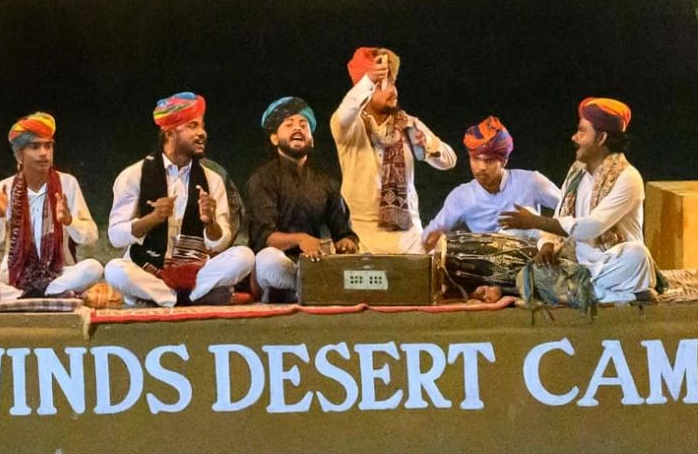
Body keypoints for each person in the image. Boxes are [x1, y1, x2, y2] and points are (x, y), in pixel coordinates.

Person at [500, 97, 656, 304]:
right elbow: (560, 217)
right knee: (529, 261)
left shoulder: (628, 177)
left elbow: (591, 227)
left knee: (637, 255)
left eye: (582, 131)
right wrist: (547, 245)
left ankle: (580, 293)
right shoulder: (577, 173)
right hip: (576, 264)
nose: (574, 137)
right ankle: (618, 296)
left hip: (611, 263)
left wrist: (535, 221)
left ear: (601, 138)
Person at [105, 92, 255, 307]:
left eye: (202, 126)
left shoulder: (212, 179)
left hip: (195, 271)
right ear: (169, 132)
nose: (202, 133)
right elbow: (115, 236)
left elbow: (220, 242)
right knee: (115, 270)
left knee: (244, 256)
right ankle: (191, 298)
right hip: (146, 269)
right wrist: (153, 218)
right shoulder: (133, 175)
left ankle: (166, 299)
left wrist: (210, 222)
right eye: (193, 126)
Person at [0, 112, 104, 303]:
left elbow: (91, 237)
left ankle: (29, 295)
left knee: (93, 267)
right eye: (35, 147)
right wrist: (0, 216)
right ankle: (33, 295)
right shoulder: (5, 187)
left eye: (48, 146)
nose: (43, 153)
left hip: (57, 272)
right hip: (13, 275)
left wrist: (69, 221)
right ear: (19, 155)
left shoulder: (67, 183)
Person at [331, 47, 456, 253]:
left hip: (407, 233)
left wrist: (427, 144)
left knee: (440, 254)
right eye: (383, 85)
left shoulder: (407, 123)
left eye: (393, 82)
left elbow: (449, 160)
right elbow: (345, 112)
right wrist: (369, 80)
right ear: (365, 91)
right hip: (360, 233)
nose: (392, 90)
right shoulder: (349, 128)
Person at [245, 96, 359, 302]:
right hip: (273, 263)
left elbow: (344, 232)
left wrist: (347, 243)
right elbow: (264, 237)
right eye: (288, 124)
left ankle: (295, 291)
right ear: (274, 138)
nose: (297, 128)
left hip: (312, 262)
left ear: (311, 140)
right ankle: (309, 288)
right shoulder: (262, 179)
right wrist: (300, 239)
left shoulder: (326, 183)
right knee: (269, 261)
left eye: (303, 125)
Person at [422, 116, 563, 250]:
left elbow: (569, 210)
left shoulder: (531, 181)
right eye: (475, 159)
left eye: (489, 160)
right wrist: (431, 240)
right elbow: (430, 235)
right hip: (483, 264)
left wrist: (548, 238)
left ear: (503, 161)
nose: (481, 167)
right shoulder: (461, 196)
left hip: (535, 261)